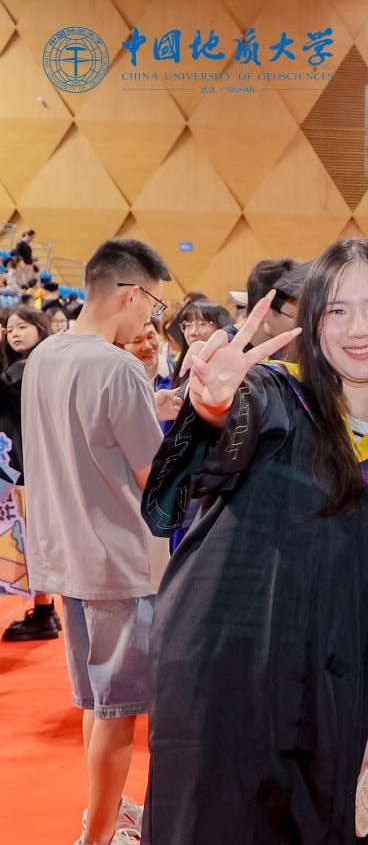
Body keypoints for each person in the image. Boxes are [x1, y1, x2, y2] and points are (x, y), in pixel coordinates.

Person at [141, 239, 368, 843]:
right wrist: (212, 406)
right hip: (230, 672)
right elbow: (212, 452)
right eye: (337, 310)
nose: (358, 329)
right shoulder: (275, 395)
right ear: (311, 321)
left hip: (340, 684)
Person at [23, 238, 173, 845]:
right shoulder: (116, 368)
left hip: (67, 552)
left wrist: (149, 395)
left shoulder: (46, 354)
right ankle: (101, 834)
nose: (151, 320)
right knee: (121, 710)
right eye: (154, 306)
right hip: (120, 559)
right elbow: (157, 476)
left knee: (97, 702)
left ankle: (100, 816)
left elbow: (88, 433)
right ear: (130, 294)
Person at [0, 306, 55, 643]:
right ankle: (45, 609)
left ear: (40, 328)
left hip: (22, 464)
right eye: (10, 328)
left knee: (31, 538)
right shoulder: (28, 365)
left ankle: (45, 613)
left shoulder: (30, 367)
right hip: (24, 463)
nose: (15, 333)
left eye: (22, 326)